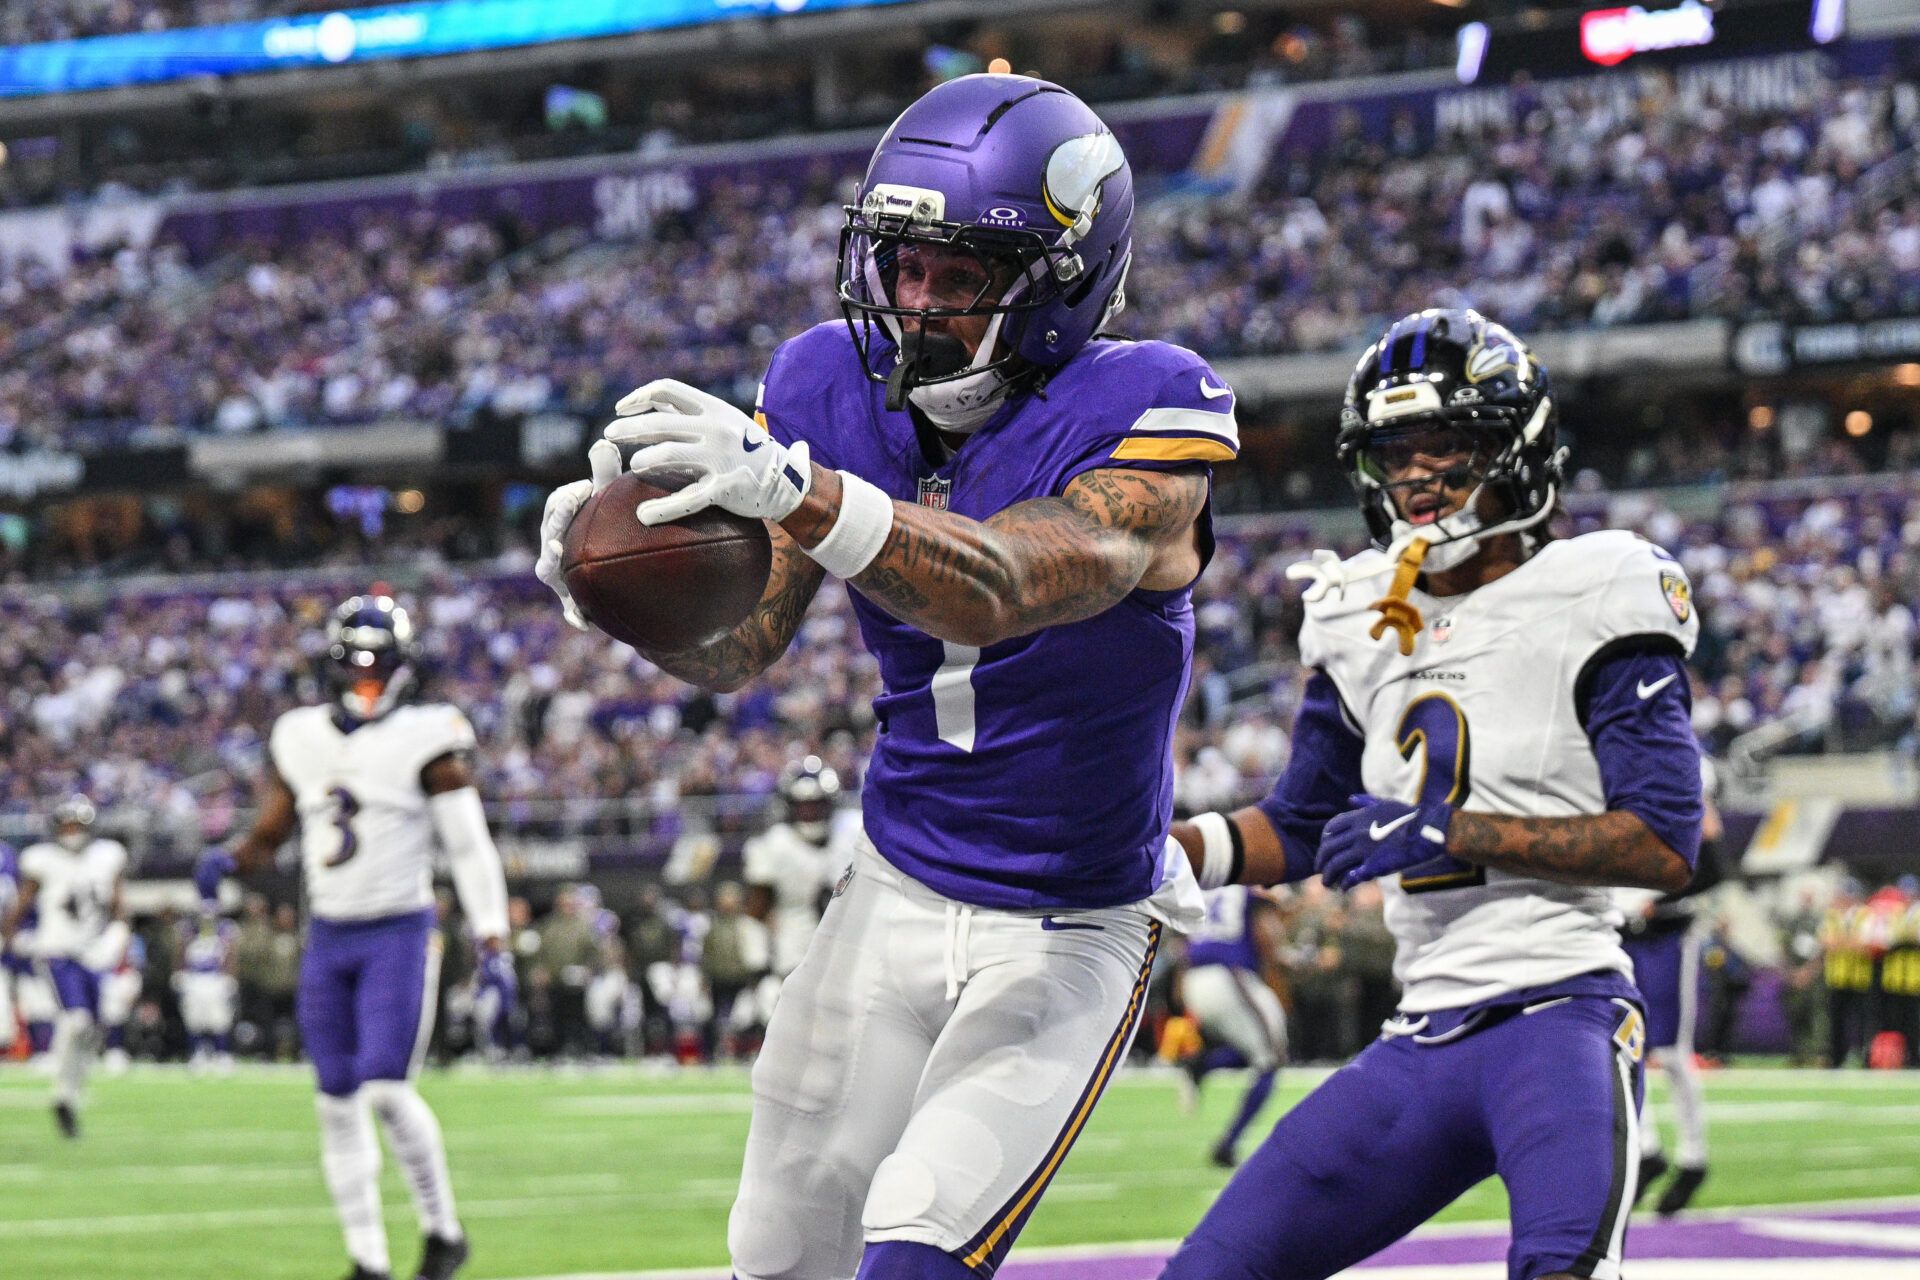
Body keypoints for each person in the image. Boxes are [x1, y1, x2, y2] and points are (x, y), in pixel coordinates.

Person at [535, 72, 1233, 1280]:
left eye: (960, 274)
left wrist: (803, 490)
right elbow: (742, 646)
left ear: (1063, 282)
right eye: (902, 266)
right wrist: (620, 596)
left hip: (1066, 920)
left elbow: (1006, 583)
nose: (915, 304)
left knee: (918, 1236)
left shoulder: (1148, 402)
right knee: (777, 1251)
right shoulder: (825, 382)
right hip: (891, 887)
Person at [1165, 309, 1703, 1280]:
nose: (1416, 475)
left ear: (1514, 446)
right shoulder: (1358, 611)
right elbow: (1300, 821)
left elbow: (1663, 842)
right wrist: (1165, 852)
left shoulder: (1600, 585)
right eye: (1394, 452)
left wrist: (1454, 829)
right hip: (1418, 1037)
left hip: (1561, 1010)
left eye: (1444, 444)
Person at [195, 594, 514, 1280]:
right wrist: (233, 858)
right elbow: (274, 828)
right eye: (357, 664)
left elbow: (468, 847)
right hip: (329, 935)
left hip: (398, 930)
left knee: (387, 1090)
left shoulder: (430, 734)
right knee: (334, 1100)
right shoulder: (300, 734)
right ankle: (368, 1259)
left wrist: (493, 939)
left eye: (380, 664)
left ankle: (443, 1230)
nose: (368, 677)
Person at [1620, 759, 1725, 1216]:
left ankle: (1693, 1156)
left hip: (1667, 936)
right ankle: (1645, 1148)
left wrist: (1656, 896)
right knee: (1624, 1046)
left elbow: (1712, 867)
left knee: (1672, 1052)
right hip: (1623, 933)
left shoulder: (1685, 770)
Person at [1, 796, 128, 1138]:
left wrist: (117, 935)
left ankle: (68, 1096)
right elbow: (19, 907)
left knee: (92, 1029)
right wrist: (12, 938)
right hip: (57, 951)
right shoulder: (42, 860)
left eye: (78, 825)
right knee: (77, 1020)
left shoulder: (107, 856)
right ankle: (60, 1087)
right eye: (67, 826)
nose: (72, 832)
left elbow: (119, 905)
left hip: (93, 953)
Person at [1177, 885, 1288, 1167]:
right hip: (1229, 975)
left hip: (1194, 978)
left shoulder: (1198, 885)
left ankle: (1202, 1064)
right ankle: (1228, 1145)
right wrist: (1282, 966)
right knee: (1271, 1060)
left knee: (1253, 1052)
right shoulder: (1246, 888)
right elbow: (1267, 933)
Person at [742, 757, 853, 1018]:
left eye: (816, 805)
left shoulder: (849, 838)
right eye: (803, 806)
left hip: (846, 953)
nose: (810, 812)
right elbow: (756, 912)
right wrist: (759, 967)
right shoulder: (775, 844)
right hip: (793, 955)